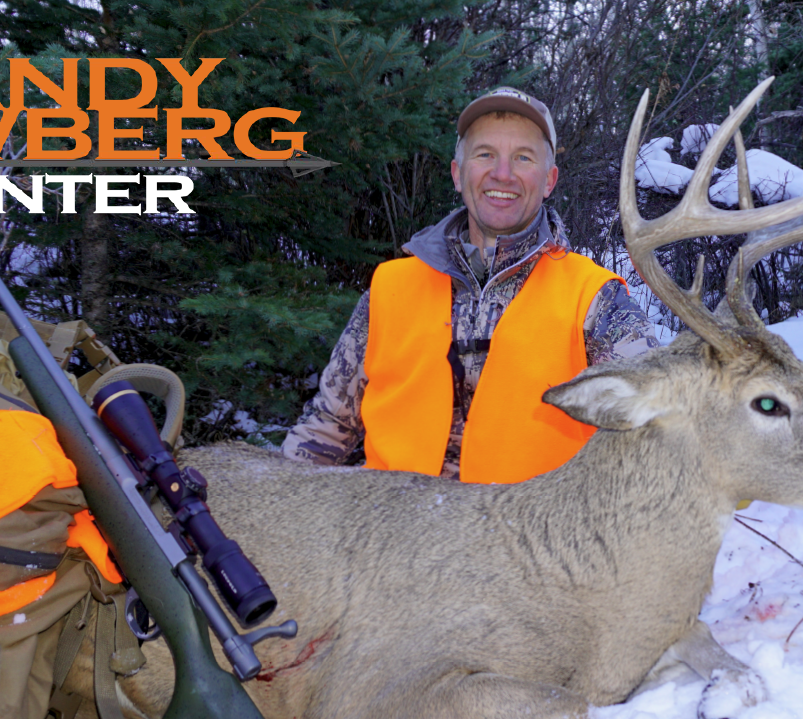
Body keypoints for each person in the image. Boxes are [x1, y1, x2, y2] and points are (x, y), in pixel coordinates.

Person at [282, 87, 659, 483]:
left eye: (523, 157)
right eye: (485, 154)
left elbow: (653, 418)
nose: (502, 173)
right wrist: (281, 498)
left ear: (549, 180)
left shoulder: (595, 299)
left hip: (529, 535)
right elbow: (326, 426)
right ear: (458, 174)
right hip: (394, 531)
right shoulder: (390, 288)